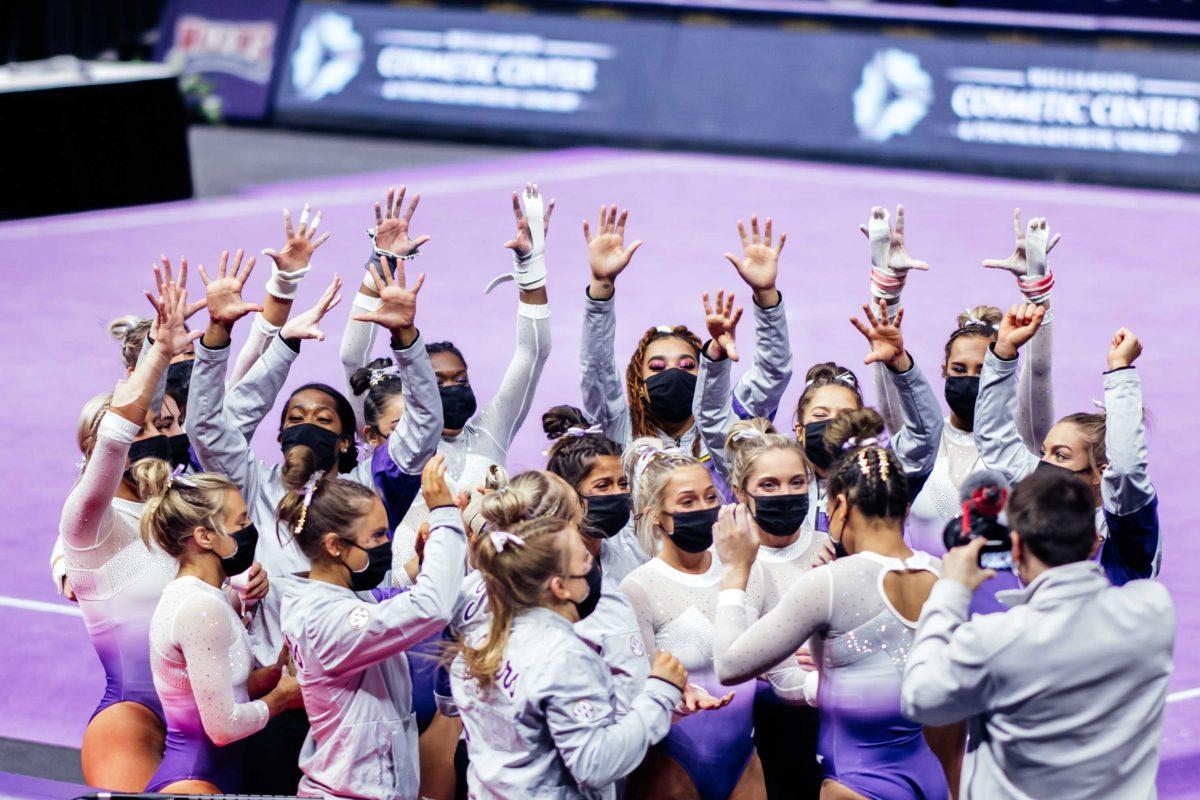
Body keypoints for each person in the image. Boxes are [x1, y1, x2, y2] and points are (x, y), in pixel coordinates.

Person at [712, 409, 951, 800]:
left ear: (838, 506)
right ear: (905, 507)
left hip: (857, 784)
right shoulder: (943, 576)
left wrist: (736, 571)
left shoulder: (830, 580)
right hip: (927, 775)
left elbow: (729, 665)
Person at [901, 470, 1174, 800]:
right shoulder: (1154, 611)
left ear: (1016, 549)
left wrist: (950, 590)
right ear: (1093, 541)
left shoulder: (994, 641)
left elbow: (920, 697)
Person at [60, 275, 196, 789]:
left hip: (214, 719)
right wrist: (156, 357)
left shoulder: (187, 516)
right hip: (134, 717)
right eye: (141, 427)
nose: (155, 435)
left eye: (164, 426)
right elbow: (114, 442)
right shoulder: (88, 525)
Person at [618, 440, 807, 800]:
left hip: (742, 759)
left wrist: (830, 685)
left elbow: (783, 674)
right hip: (671, 761)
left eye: (709, 497)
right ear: (655, 513)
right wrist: (675, 699)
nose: (704, 509)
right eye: (687, 502)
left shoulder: (751, 573)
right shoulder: (639, 588)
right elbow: (633, 696)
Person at [450, 514, 687, 799]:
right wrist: (660, 692)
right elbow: (594, 764)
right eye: (584, 561)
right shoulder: (564, 657)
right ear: (559, 586)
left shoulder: (477, 642)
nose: (593, 568)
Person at [279, 455, 468, 799]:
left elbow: (402, 604)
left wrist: (429, 563)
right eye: (378, 535)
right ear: (335, 545)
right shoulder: (326, 620)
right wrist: (443, 515)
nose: (386, 544)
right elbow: (430, 608)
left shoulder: (339, 600)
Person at [390, 184, 554, 579]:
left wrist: (531, 270)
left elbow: (532, 353)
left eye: (459, 378)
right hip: (413, 590)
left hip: (493, 588)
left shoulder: (490, 431)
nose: (453, 386)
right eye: (438, 380)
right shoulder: (398, 447)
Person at [580, 210, 792, 491]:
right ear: (638, 384)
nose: (673, 373)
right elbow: (597, 369)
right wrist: (601, 286)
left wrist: (766, 295)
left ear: (703, 372)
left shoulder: (734, 420)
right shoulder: (619, 430)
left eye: (686, 365)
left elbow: (773, 372)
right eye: (657, 367)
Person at [973, 307, 1159, 584]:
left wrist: (1120, 370)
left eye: (1061, 455)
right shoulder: (1046, 503)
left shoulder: (1124, 537)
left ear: (1100, 474)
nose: (1044, 464)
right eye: (1043, 452)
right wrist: (1003, 351)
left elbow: (1127, 470)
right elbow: (996, 441)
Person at [142, 471, 302, 793]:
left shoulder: (209, 595)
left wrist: (273, 674)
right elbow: (223, 727)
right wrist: (282, 699)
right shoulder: (201, 608)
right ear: (205, 537)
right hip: (197, 780)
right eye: (241, 523)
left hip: (220, 774)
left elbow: (220, 690)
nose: (249, 531)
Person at [721, 418, 828, 799]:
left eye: (796, 482)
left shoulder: (835, 549)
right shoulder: (727, 565)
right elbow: (734, 663)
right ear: (739, 492)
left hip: (837, 738)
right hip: (764, 744)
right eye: (769, 485)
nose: (785, 493)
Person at [543, 404, 647, 586]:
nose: (618, 494)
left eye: (623, 484)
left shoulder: (634, 555)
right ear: (566, 492)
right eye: (603, 485)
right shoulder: (540, 565)